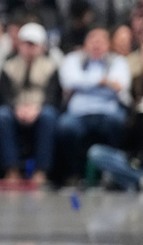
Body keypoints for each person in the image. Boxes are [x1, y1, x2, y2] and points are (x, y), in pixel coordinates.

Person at [56, 28, 131, 183]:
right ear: (85, 44)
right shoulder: (73, 59)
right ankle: (75, 174)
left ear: (108, 45)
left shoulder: (118, 61)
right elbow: (69, 81)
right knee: (66, 127)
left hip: (108, 111)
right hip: (79, 113)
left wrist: (84, 84)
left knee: (117, 123)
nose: (96, 45)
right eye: (93, 41)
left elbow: (121, 86)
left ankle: (111, 173)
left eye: (101, 41)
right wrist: (102, 82)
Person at [0, 23, 60, 186]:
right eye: (26, 44)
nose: (29, 49)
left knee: (49, 116)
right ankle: (11, 169)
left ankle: (40, 171)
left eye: (33, 45)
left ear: (42, 46)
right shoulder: (8, 66)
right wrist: (16, 108)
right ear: (19, 45)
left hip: (40, 108)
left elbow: (53, 96)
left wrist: (37, 108)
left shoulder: (50, 67)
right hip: (16, 108)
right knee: (1, 116)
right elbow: (4, 94)